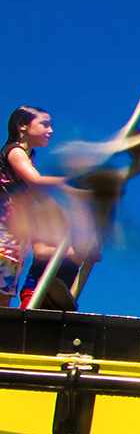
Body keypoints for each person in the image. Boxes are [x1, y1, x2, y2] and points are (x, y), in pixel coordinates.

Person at [1, 107, 84, 309]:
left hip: (13, 244)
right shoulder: (15, 151)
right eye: (44, 124)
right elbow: (36, 181)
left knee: (5, 297)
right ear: (23, 126)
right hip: (3, 239)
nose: (51, 130)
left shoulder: (29, 158)